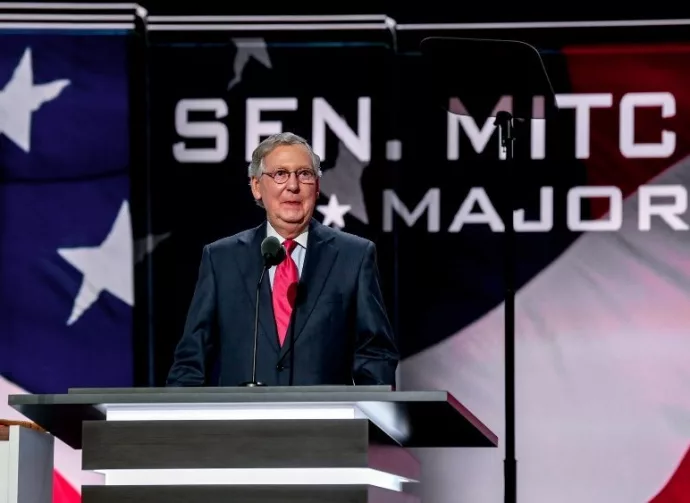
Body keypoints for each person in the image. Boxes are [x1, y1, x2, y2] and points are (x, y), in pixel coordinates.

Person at [166, 132, 399, 387]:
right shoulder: (221, 259)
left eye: (305, 174)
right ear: (256, 186)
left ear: (318, 187)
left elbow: (376, 355)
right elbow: (191, 361)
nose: (293, 186)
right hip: (242, 423)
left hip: (326, 424)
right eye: (280, 174)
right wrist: (180, 423)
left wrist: (364, 416)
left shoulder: (353, 256)